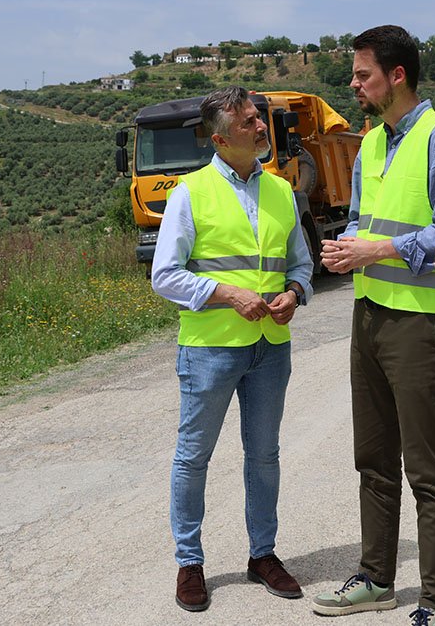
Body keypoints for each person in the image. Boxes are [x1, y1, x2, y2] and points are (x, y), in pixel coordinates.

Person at [313, 25, 435, 626]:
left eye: (363, 75)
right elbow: (364, 219)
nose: (353, 84)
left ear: (397, 76)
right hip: (370, 316)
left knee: (426, 470)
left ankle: (433, 604)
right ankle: (377, 579)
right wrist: (346, 245)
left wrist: (375, 251)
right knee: (373, 458)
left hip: (421, 325)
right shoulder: (373, 142)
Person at [151, 86, 313, 612]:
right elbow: (165, 276)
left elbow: (301, 265)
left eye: (259, 119)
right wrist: (224, 293)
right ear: (221, 138)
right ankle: (189, 563)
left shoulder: (282, 191)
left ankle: (262, 555)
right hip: (211, 348)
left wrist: (293, 294)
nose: (261, 127)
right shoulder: (189, 193)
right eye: (248, 122)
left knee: (264, 456)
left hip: (271, 347)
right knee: (193, 457)